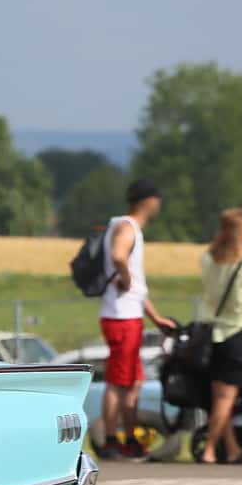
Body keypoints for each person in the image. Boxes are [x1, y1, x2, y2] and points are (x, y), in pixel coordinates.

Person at [96, 179, 177, 459]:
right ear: (148, 201)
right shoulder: (127, 227)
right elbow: (120, 257)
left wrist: (154, 316)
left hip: (128, 315)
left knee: (133, 381)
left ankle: (129, 437)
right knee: (118, 382)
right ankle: (109, 439)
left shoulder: (125, 227)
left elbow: (138, 284)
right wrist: (126, 278)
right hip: (121, 318)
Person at [192, 208, 242, 465]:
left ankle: (234, 448)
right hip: (238, 332)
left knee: (219, 399)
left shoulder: (207, 260)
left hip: (211, 334)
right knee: (226, 399)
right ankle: (210, 449)